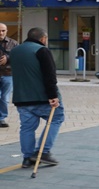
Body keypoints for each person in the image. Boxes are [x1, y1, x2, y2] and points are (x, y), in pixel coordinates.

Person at [10, 28, 64, 168]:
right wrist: (53, 95)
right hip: (42, 97)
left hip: (21, 97)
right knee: (56, 119)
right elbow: (50, 74)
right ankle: (43, 152)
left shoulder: (15, 51)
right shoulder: (41, 50)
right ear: (42, 38)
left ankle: (27, 158)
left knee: (27, 127)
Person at [0, 23, 19, 128]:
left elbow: (19, 57)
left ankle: (2, 118)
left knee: (4, 97)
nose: (1, 33)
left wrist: (8, 58)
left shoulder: (13, 43)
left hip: (8, 74)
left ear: (6, 31)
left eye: (3, 30)